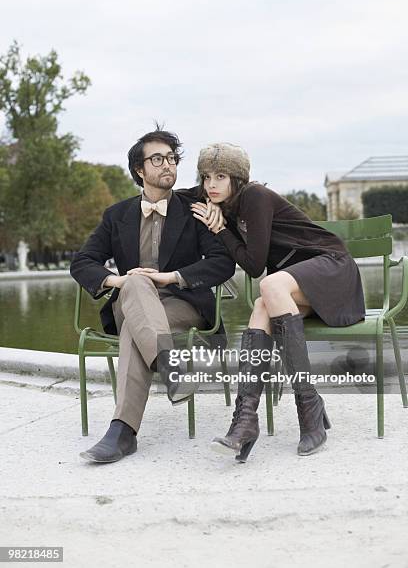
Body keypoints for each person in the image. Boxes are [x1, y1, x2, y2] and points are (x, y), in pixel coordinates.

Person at [181, 142, 366, 462]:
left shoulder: (254, 197)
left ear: (237, 178)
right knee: (262, 304)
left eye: (221, 176)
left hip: (331, 267)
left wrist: (222, 229)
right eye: (206, 176)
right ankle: (245, 421)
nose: (211, 184)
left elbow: (254, 265)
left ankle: (306, 407)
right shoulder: (218, 200)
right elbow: (177, 197)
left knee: (269, 285)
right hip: (293, 285)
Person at [70, 128, 236, 463]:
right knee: (134, 285)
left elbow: (223, 263)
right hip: (129, 301)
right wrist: (120, 282)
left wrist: (170, 277)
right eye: (157, 159)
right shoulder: (116, 216)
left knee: (135, 328)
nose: (167, 165)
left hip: (182, 304)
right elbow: (82, 262)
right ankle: (169, 365)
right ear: (139, 170)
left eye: (172, 159)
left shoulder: (196, 210)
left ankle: (122, 432)